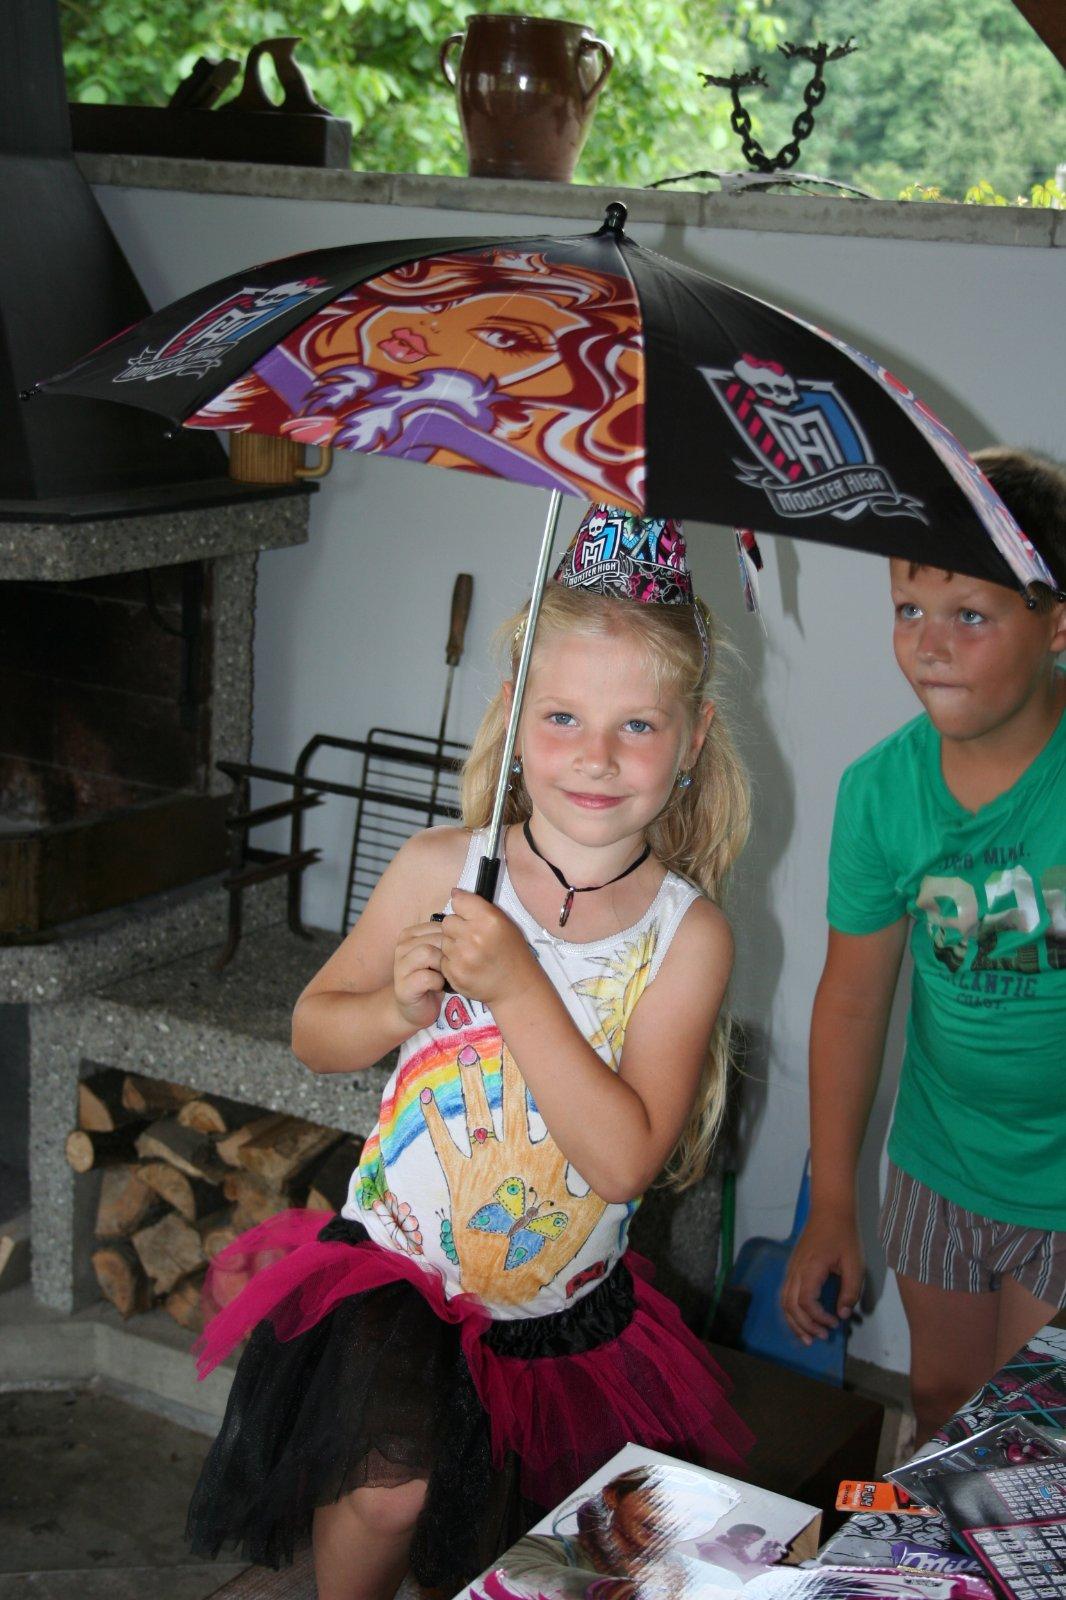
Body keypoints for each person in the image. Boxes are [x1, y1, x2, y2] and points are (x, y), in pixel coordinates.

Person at [186, 502, 755, 1600]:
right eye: (562, 715)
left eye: (637, 725)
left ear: (692, 740)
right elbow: (313, 1032)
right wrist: (394, 1007)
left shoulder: (687, 937)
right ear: (512, 713)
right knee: (385, 1491)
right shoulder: (440, 867)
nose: (595, 756)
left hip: (562, 1318)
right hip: (394, 1276)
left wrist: (516, 985)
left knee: (522, 1544)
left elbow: (624, 1161)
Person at [781, 446, 1066, 1443]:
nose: (929, 645)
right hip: (938, 1158)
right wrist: (830, 1203)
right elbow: (853, 1001)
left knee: (1029, 1435)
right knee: (941, 1400)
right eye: (909, 609)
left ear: (1056, 624)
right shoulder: (878, 793)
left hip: (1060, 1180)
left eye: (970, 616)